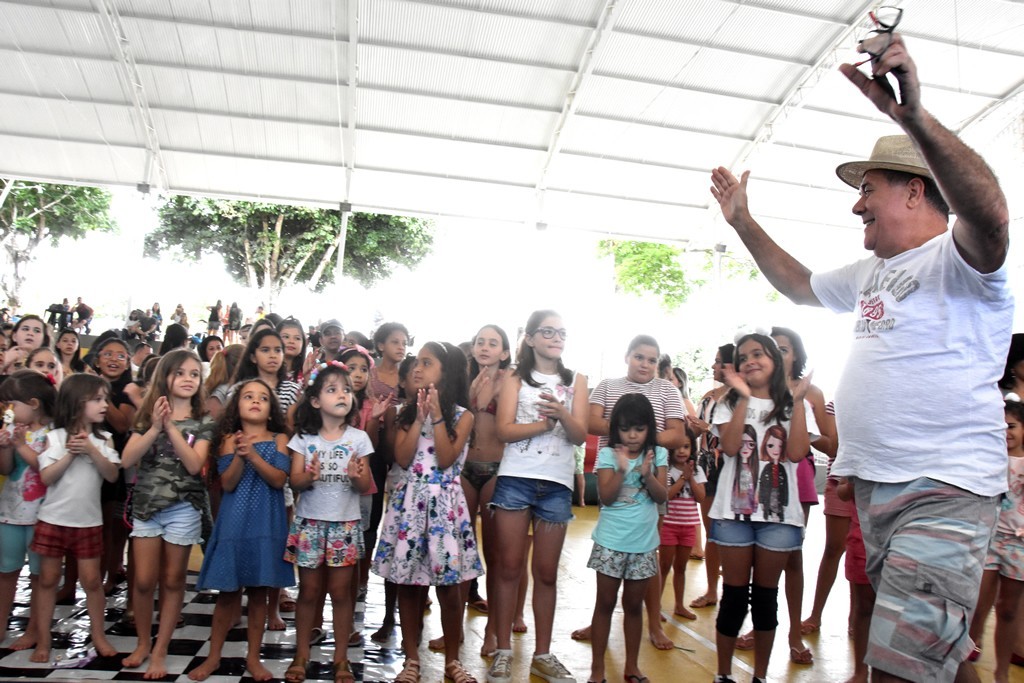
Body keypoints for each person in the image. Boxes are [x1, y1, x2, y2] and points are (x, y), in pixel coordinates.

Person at [709, 28, 1012, 683]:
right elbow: (798, 283)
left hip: (944, 488)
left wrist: (912, 117)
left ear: (916, 191)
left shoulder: (963, 260)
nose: (856, 203)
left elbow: (991, 214)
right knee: (937, 654)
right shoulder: (871, 271)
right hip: (881, 489)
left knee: (899, 665)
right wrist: (742, 220)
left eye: (869, 188)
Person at [371, 342, 482, 683]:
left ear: (445, 372)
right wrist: (418, 418)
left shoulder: (464, 416)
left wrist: (435, 416)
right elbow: (403, 459)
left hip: (446, 508)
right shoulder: (407, 413)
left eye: (426, 362)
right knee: (408, 583)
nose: (416, 368)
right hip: (410, 504)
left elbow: (447, 458)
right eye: (416, 362)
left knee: (450, 587)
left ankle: (452, 659)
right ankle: (411, 659)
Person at [709, 333, 816, 683]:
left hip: (779, 520)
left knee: (766, 599)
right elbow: (728, 447)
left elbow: (797, 453)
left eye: (759, 354)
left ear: (774, 359)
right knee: (734, 598)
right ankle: (723, 674)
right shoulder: (726, 400)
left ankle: (760, 676)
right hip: (733, 515)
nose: (750, 360)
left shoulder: (793, 404)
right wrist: (743, 395)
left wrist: (797, 402)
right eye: (743, 357)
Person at [489, 310, 588, 683]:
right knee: (509, 568)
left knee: (546, 573)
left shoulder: (576, 380)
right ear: (530, 338)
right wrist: (543, 424)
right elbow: (503, 429)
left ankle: (543, 654)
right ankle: (502, 650)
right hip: (516, 479)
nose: (556, 337)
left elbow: (579, 436)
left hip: (557, 485)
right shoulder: (515, 378)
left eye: (561, 332)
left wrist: (562, 412)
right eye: (547, 331)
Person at [571, 334, 685, 649]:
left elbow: (677, 434)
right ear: (627, 357)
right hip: (615, 478)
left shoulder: (667, 390)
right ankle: (599, 623)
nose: (645, 364)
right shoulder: (609, 385)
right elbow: (591, 421)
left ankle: (654, 624)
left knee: (649, 552)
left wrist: (644, 440)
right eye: (639, 357)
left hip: (652, 476)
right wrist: (627, 430)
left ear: (658, 363)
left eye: (651, 359)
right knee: (611, 551)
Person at [188, 380, 293, 682]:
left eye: (263, 397)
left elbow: (277, 480)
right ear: (237, 405)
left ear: (272, 407)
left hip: (266, 524)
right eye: (248, 396)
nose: (256, 401)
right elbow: (229, 483)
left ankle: (253, 657)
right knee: (227, 595)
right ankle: (213, 656)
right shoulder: (227, 440)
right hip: (235, 524)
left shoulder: (280, 438)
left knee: (259, 595)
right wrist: (238, 454)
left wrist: (254, 456)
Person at [120, 350, 212, 679]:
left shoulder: (203, 420)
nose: (188, 378)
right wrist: (155, 426)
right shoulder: (147, 416)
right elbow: (127, 459)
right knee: (144, 581)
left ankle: (160, 648)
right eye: (180, 372)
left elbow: (192, 464)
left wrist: (170, 427)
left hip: (184, 508)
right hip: (147, 507)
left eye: (194, 373)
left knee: (174, 581)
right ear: (165, 376)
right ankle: (143, 643)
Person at [284, 361, 372, 683]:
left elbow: (365, 486)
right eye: (332, 389)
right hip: (309, 523)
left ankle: (341, 661)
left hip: (344, 525)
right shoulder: (304, 439)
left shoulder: (359, 439)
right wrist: (309, 476)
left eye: (347, 390)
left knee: (340, 592)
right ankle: (301, 655)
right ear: (316, 400)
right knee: (308, 591)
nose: (343, 395)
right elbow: (294, 481)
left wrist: (356, 477)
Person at [29, 374, 120, 664]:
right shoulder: (54, 437)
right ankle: (43, 639)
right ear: (77, 403)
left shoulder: (104, 439)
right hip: (53, 520)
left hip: (89, 522)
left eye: (105, 398)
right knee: (48, 580)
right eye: (97, 399)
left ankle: (99, 636)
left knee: (92, 581)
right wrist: (70, 454)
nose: (105, 404)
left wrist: (91, 450)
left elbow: (112, 475)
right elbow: (47, 477)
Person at [587, 393, 668, 683]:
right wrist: (623, 469)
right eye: (625, 429)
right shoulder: (609, 455)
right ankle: (597, 669)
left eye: (639, 429)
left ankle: (631, 667)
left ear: (649, 428)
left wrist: (647, 475)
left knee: (634, 607)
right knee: (605, 604)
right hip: (611, 543)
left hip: (644, 545)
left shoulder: (657, 455)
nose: (632, 436)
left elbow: (662, 497)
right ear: (616, 430)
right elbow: (607, 498)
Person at [966, 397, 1024, 683]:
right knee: (978, 602)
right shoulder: (989, 459)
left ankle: (1001, 671)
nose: (1007, 432)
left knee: (1009, 608)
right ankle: (966, 652)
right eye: (1001, 427)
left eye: (1012, 426)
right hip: (988, 539)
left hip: (1019, 544)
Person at [0, 371, 56, 651]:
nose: (8, 410)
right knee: (6, 571)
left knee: (39, 577)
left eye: (11, 404)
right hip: (9, 512)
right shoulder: (12, 431)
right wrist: (6, 447)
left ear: (33, 403)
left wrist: (21, 445)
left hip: (42, 517)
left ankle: (34, 629)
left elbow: (45, 469)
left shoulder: (53, 433)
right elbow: (6, 469)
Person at [689, 343, 733, 611]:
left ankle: (733, 586)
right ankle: (711, 589)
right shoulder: (708, 396)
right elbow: (698, 433)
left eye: (718, 361)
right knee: (712, 530)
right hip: (707, 466)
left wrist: (707, 427)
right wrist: (692, 430)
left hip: (731, 466)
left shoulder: (742, 398)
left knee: (730, 530)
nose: (713, 366)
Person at [659, 426, 706, 621]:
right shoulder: (666, 469)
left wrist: (692, 477)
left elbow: (701, 497)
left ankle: (679, 605)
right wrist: (683, 478)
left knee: (681, 568)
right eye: (677, 446)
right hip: (669, 524)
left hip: (688, 526)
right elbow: (665, 496)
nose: (681, 451)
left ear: (691, 449)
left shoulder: (698, 469)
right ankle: (656, 605)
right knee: (664, 566)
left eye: (686, 447)